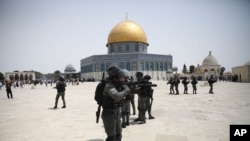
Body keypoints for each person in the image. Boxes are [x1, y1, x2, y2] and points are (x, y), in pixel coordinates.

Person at [101, 66, 130, 141]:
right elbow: (117, 96)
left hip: (117, 113)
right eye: (121, 77)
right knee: (112, 137)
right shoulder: (109, 86)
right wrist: (126, 90)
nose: (123, 79)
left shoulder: (119, 85)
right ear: (115, 78)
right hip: (109, 115)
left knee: (118, 135)